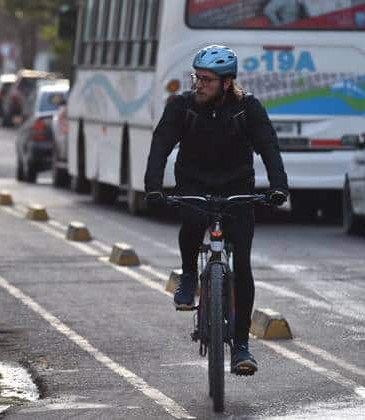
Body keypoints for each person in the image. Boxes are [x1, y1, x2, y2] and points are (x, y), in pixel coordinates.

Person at [143, 45, 289, 375]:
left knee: (244, 266)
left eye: (207, 80)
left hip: (237, 184)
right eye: (197, 77)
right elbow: (160, 147)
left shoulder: (247, 108)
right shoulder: (181, 107)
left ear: (226, 83)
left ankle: (241, 347)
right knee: (193, 222)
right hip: (194, 180)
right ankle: (190, 275)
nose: (199, 84)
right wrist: (152, 187)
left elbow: (269, 147)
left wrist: (279, 186)